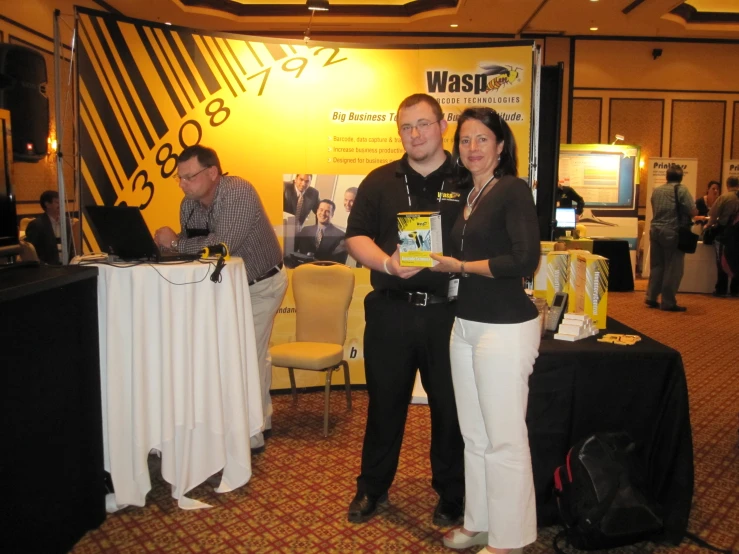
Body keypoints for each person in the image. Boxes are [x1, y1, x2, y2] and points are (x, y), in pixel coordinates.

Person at [345, 93, 466, 526]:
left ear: (443, 125)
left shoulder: (470, 179)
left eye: (423, 124)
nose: (414, 135)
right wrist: (386, 264)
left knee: (450, 408)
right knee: (384, 405)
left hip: (449, 315)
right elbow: (355, 236)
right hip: (391, 312)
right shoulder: (379, 181)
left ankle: (452, 494)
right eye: (406, 127)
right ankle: (371, 488)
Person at [429, 108, 541, 554]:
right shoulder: (470, 195)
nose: (472, 148)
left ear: (500, 146)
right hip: (466, 325)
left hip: (505, 329)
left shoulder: (513, 190)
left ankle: (510, 538)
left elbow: (523, 260)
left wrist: (459, 265)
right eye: (464, 140)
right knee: (473, 435)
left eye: (482, 139)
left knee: (504, 437)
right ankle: (479, 521)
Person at [154, 145, 287, 451]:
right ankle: (261, 419)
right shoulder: (188, 205)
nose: (183, 184)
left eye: (189, 177)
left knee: (246, 355)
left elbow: (222, 246)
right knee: (249, 355)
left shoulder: (238, 192)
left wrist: (174, 242)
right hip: (226, 288)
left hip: (260, 285)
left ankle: (249, 436)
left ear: (212, 172)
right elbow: (194, 248)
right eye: (180, 178)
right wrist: (175, 246)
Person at [645, 165, 697, 312]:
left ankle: (651, 297)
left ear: (667, 176)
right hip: (672, 232)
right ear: (681, 177)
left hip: (655, 230)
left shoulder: (657, 191)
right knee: (673, 268)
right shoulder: (681, 189)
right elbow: (692, 211)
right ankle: (668, 302)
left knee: (657, 266)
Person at [704, 176, 739, 297]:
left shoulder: (724, 197)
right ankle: (735, 289)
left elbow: (713, 216)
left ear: (727, 185)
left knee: (722, 261)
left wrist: (708, 226)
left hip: (725, 234)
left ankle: (721, 289)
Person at [25, 190, 74, 265]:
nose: (61, 205)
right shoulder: (36, 225)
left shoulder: (67, 222)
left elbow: (71, 247)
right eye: (57, 202)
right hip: (47, 269)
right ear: (47, 204)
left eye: (62, 202)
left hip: (68, 266)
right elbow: (30, 253)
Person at [295, 199, 348, 264]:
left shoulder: (341, 236)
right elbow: (292, 250)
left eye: (327, 211)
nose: (323, 213)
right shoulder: (305, 230)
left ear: (332, 214)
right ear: (317, 211)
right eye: (321, 210)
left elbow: (338, 264)